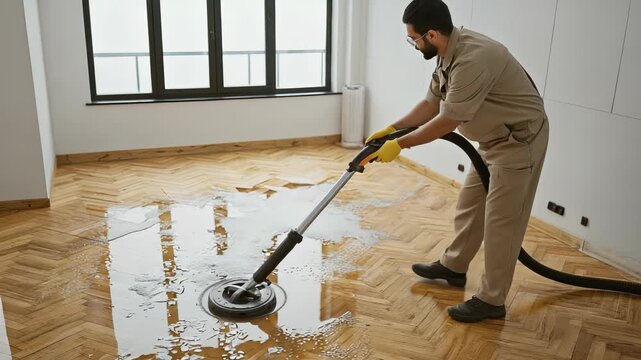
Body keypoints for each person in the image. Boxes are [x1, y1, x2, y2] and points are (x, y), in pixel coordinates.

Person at [366, 0, 549, 323]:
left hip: (519, 142)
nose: (414, 44)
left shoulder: (475, 58)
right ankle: (454, 266)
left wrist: (401, 145)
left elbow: (448, 120)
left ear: (432, 34)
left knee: (501, 222)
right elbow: (431, 103)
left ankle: (492, 300)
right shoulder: (447, 55)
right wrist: (392, 129)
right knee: (469, 205)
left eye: (414, 39)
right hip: (492, 141)